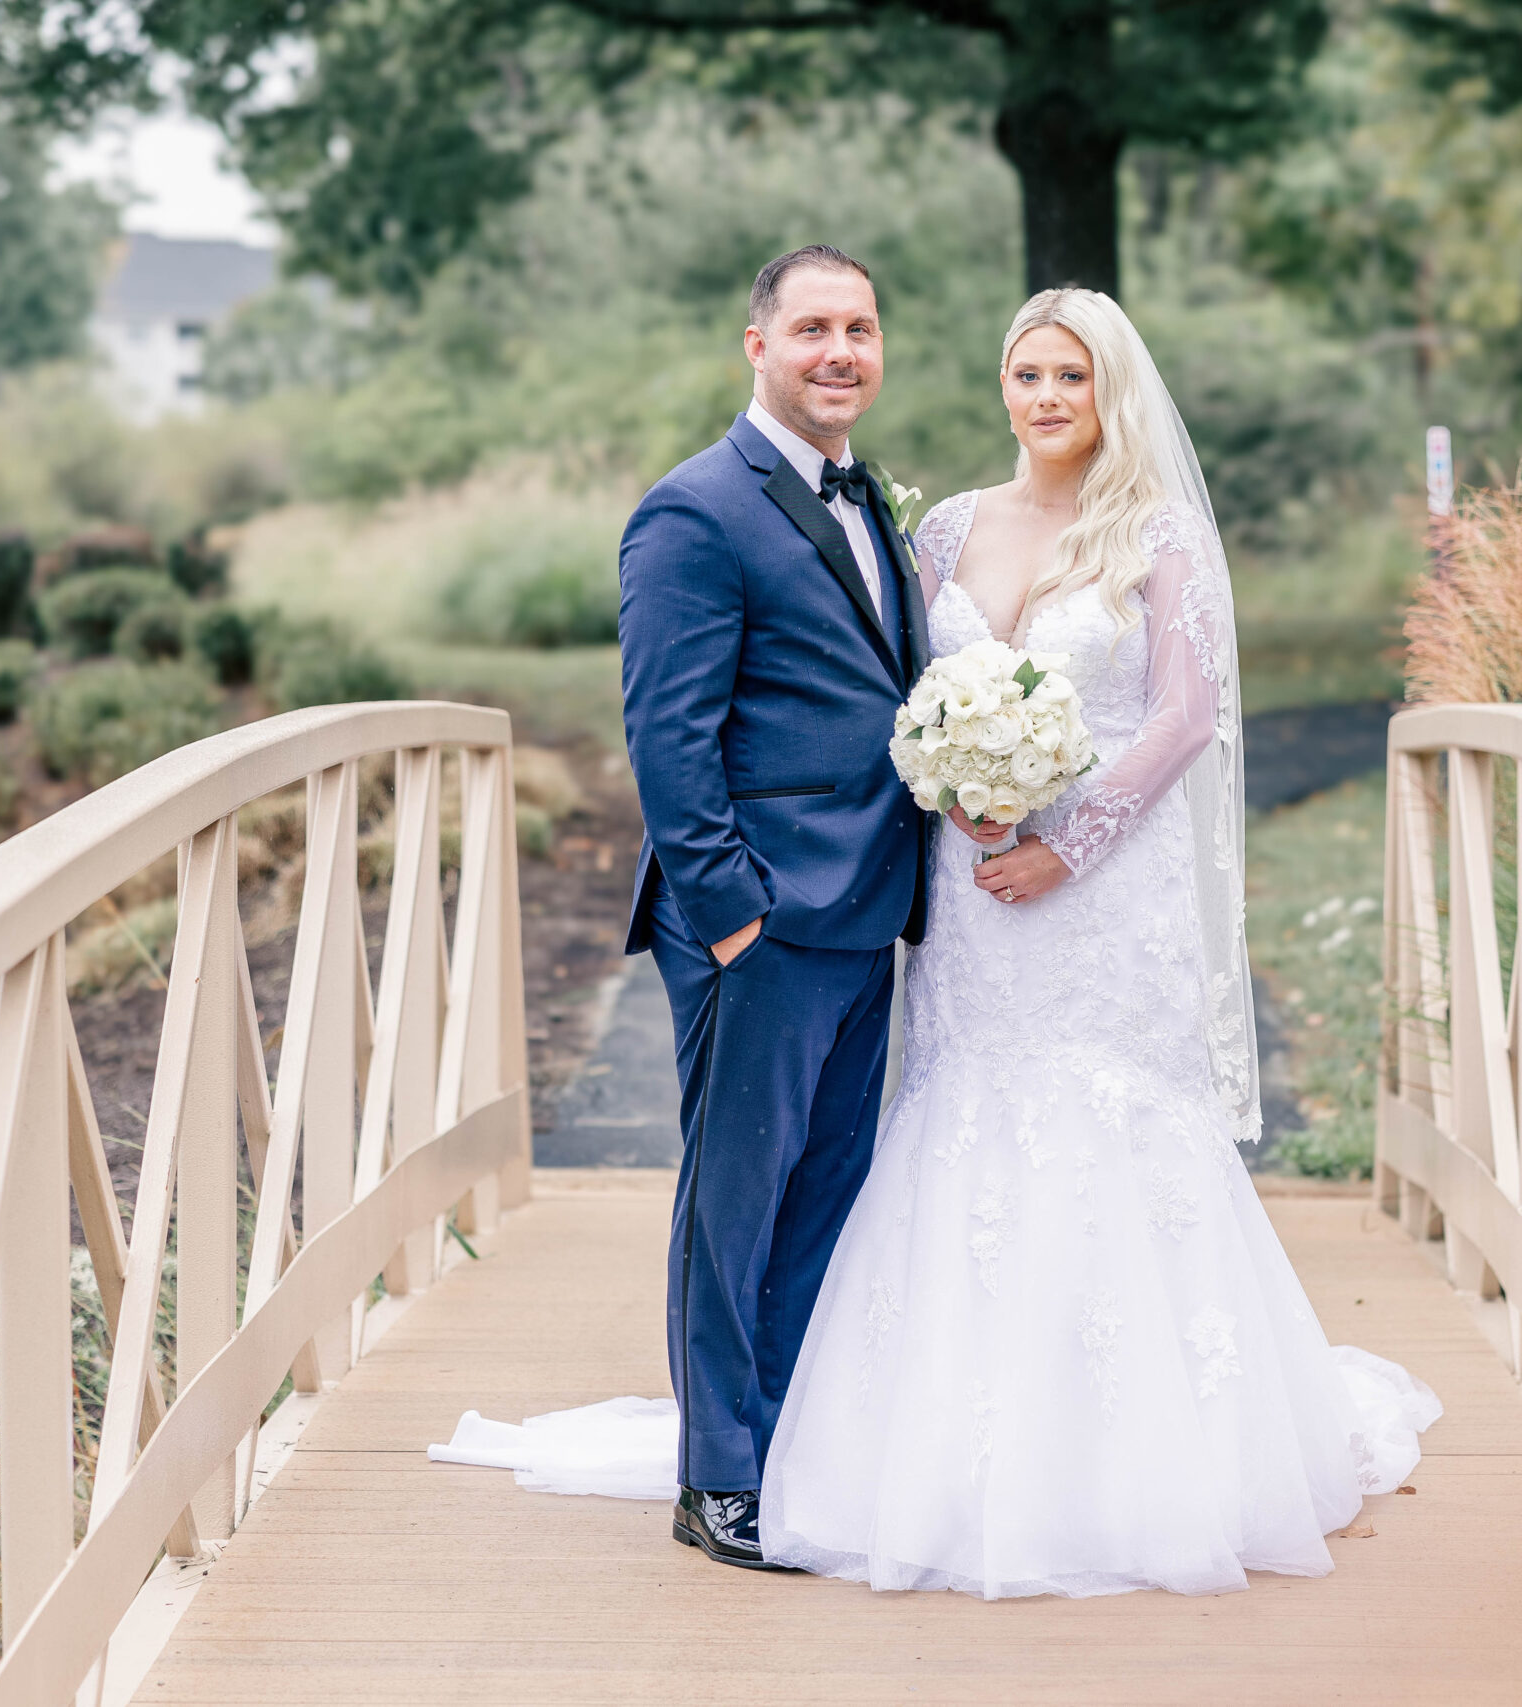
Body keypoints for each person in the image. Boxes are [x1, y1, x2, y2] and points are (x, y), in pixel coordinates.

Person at [756, 287, 1441, 1598]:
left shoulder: (1156, 533)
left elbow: (1186, 716)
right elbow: (909, 689)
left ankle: (1148, 1457)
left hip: (1103, 891)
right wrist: (956, 785)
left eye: (1072, 373)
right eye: (1028, 372)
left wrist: (1068, 841)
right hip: (971, 888)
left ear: (1108, 388)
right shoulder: (947, 528)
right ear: (1003, 386)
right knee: (964, 1113)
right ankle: (942, 1457)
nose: (1048, 396)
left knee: (1113, 1121)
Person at [613, 244, 931, 1570]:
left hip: (867, 910)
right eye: (812, 329)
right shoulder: (696, 512)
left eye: (859, 327)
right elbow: (667, 739)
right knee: (734, 1204)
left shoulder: (872, 509)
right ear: (758, 346)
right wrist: (732, 914)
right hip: (758, 925)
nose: (839, 351)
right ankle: (720, 1479)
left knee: (824, 1198)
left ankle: (794, 1443)